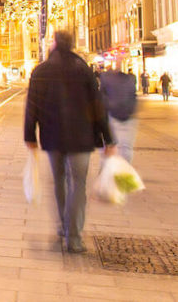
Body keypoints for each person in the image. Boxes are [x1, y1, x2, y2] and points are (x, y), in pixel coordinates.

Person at [24, 30, 115, 254]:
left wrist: (29, 135)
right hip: (81, 137)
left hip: (53, 137)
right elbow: (97, 105)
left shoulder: (41, 71)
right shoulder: (83, 69)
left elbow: (31, 106)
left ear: (54, 44)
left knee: (59, 182)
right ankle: (74, 237)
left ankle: (63, 227)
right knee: (78, 186)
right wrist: (108, 139)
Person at [99, 68, 138, 163]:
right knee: (126, 147)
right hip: (128, 117)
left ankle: (111, 171)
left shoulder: (106, 81)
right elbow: (133, 97)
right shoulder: (130, 80)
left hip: (113, 115)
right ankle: (124, 170)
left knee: (111, 147)